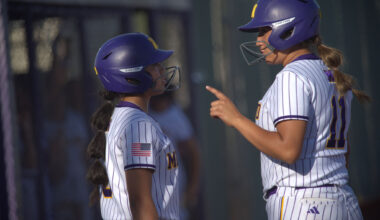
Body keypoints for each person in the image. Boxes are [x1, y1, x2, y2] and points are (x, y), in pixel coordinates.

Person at [206, 0, 370, 219]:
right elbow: (344, 152)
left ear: (288, 28)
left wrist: (236, 119)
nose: (258, 41)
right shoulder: (331, 74)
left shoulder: (292, 76)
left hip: (304, 203)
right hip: (342, 200)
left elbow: (288, 150)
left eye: (264, 31)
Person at [86, 32, 181, 220]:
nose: (162, 69)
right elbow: (140, 200)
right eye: (155, 65)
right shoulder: (138, 125)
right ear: (133, 75)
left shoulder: (119, 118)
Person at [149, 92, 202, 220]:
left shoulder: (175, 115)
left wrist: (192, 187)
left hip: (172, 184)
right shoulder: (143, 114)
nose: (161, 104)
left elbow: (194, 152)